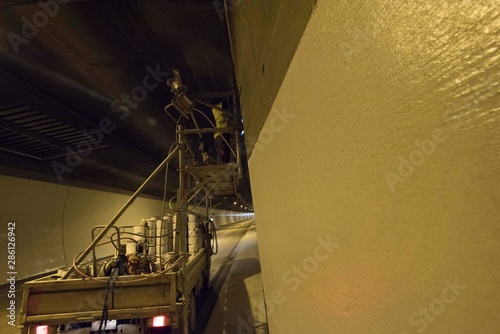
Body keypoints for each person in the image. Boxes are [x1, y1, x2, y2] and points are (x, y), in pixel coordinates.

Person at [212, 99, 233, 164]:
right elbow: (227, 101)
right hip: (221, 133)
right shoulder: (216, 109)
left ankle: (225, 163)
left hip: (222, 132)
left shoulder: (217, 109)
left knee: (224, 150)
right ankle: (224, 162)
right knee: (223, 150)